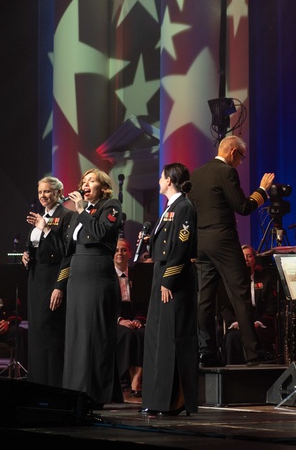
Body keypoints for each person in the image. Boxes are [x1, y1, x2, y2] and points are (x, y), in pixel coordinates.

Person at [189, 135, 276, 367]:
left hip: (201, 242)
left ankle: (205, 351)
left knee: (204, 299)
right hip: (224, 241)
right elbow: (243, 207)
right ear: (233, 152)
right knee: (240, 294)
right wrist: (262, 191)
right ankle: (252, 353)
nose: (240, 163)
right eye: (241, 158)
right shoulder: (226, 172)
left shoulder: (196, 174)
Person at [61, 168, 123, 405]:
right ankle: (75, 389)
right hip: (78, 277)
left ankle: (96, 392)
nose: (85, 184)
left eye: (91, 181)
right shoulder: (80, 212)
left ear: (102, 186)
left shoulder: (111, 206)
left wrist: (81, 211)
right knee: (77, 334)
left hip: (97, 277)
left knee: (94, 335)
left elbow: (99, 233)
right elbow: (69, 247)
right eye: (83, 181)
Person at [142, 163, 199, 415]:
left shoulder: (184, 207)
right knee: (158, 340)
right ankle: (156, 399)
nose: (158, 181)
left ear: (170, 180)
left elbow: (182, 247)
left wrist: (168, 280)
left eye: (162, 177)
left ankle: (174, 401)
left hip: (173, 279)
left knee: (172, 339)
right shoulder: (169, 208)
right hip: (160, 275)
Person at [21, 176, 73, 386]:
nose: (43, 196)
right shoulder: (42, 216)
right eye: (41, 192)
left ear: (59, 193)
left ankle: (53, 384)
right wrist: (27, 255)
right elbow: (35, 246)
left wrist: (45, 228)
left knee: (50, 333)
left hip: (52, 281)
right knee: (36, 333)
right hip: (36, 280)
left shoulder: (66, 216)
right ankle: (37, 382)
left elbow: (65, 252)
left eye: (48, 192)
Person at [219, 245, 279, 365]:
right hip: (238, 323)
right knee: (232, 337)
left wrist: (259, 322)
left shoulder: (266, 280)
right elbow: (225, 307)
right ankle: (232, 373)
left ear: (254, 260)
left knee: (255, 334)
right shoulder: (230, 282)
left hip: (260, 323)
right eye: (242, 257)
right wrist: (234, 323)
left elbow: (271, 306)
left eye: (249, 256)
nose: (246, 259)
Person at [114, 238, 146, 399]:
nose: (120, 253)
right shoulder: (107, 275)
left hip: (133, 317)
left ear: (130, 253)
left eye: (124, 250)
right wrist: (120, 320)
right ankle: (123, 377)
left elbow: (142, 303)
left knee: (143, 334)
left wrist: (138, 320)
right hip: (115, 319)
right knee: (126, 335)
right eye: (117, 250)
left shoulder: (137, 275)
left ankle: (136, 381)